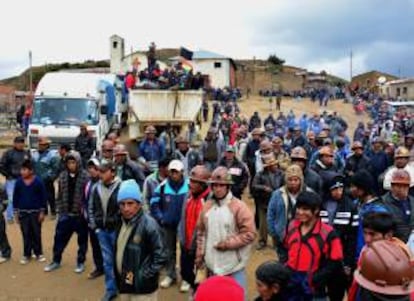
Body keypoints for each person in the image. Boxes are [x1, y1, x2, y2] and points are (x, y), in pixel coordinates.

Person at [195, 166, 256, 296]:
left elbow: (250, 234)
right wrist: (199, 255)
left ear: (228, 186)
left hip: (234, 266)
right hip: (212, 265)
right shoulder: (207, 206)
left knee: (237, 296)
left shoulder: (239, 207)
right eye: (215, 185)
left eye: (221, 185)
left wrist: (228, 243)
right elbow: (201, 233)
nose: (217, 189)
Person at [284, 191, 343, 300]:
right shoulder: (292, 226)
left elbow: (335, 262)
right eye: (299, 208)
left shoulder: (328, 233)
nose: (300, 212)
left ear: (316, 210)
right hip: (291, 283)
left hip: (313, 288)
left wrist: (317, 278)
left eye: (305, 209)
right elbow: (287, 249)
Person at [115, 179, 167, 301]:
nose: (126, 208)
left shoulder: (150, 225)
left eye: (130, 203)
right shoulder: (120, 222)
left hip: (143, 291)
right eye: (122, 204)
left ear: (138, 204)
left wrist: (142, 276)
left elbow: (161, 256)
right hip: (125, 285)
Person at [44, 151, 89, 273]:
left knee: (82, 241)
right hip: (65, 215)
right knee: (59, 239)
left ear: (78, 163)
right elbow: (59, 195)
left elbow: (87, 196)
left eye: (73, 162)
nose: (71, 165)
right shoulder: (62, 176)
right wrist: (60, 210)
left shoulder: (86, 176)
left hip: (80, 216)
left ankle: (80, 262)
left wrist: (84, 212)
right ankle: (56, 261)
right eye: (69, 162)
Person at [150, 160, 189, 289]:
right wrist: (162, 218)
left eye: (176, 172)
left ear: (182, 172)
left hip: (185, 226)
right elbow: (154, 204)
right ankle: (170, 275)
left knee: (185, 252)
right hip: (167, 225)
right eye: (172, 172)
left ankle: (186, 278)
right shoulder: (162, 187)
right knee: (168, 251)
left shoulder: (189, 185)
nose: (173, 174)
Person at [320, 174, 358, 300]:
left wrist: (348, 263)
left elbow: (353, 238)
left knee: (343, 290)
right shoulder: (321, 205)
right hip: (324, 257)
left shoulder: (351, 207)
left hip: (341, 257)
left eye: (341, 188)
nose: (338, 192)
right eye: (334, 189)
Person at [89, 161, 122, 301]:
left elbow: (124, 210)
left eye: (104, 172)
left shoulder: (121, 187)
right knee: (107, 261)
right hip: (102, 231)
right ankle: (111, 290)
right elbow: (91, 207)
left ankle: (124, 286)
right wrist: (95, 226)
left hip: (117, 231)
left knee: (120, 260)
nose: (100, 174)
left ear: (112, 172)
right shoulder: (96, 188)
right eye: (100, 171)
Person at [267, 164, 313, 262]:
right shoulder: (277, 194)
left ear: (301, 180)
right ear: (285, 180)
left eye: (296, 180)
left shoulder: (309, 193)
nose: (293, 183)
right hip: (283, 236)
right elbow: (271, 214)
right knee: (284, 262)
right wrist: (274, 233)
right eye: (290, 180)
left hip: (304, 236)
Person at [177, 165, 211, 293]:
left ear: (203, 184)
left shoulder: (209, 200)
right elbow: (182, 218)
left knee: (202, 276)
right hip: (186, 243)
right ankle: (196, 289)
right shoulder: (188, 196)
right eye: (191, 180)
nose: (191, 184)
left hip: (201, 247)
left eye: (195, 182)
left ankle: (200, 293)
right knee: (185, 272)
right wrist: (181, 238)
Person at [13, 159, 47, 264]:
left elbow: (43, 197)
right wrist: (16, 213)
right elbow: (15, 197)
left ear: (31, 171)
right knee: (25, 233)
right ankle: (26, 254)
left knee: (36, 233)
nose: (22, 172)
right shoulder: (18, 182)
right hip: (23, 213)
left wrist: (42, 212)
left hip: (35, 212)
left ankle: (38, 253)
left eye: (24, 170)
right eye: (21, 170)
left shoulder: (38, 182)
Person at [252, 154, 284, 250]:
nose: (275, 166)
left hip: (277, 202)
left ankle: (276, 242)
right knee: (263, 224)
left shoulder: (281, 174)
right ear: (268, 166)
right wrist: (263, 188)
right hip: (264, 201)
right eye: (273, 165)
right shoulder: (260, 174)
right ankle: (262, 241)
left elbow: (284, 185)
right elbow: (254, 185)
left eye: (275, 164)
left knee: (277, 222)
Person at [0, 136, 30, 222]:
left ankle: (20, 215)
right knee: (11, 199)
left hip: (23, 179)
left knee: (23, 198)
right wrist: (7, 175)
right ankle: (10, 217)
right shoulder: (8, 153)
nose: (20, 144)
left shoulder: (26, 153)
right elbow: (1, 165)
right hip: (11, 180)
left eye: (22, 142)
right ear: (15, 143)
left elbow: (30, 166)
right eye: (18, 142)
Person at [84, 158, 104, 279]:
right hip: (90, 220)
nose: (92, 170)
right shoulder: (88, 183)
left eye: (94, 168)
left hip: (102, 221)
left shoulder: (103, 184)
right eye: (90, 168)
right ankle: (99, 267)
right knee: (95, 246)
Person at [32, 137, 60, 218]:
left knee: (50, 196)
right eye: (40, 144)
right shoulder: (35, 154)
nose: (41, 146)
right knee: (40, 196)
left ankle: (53, 212)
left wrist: (51, 178)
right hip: (37, 179)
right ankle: (44, 211)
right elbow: (32, 166)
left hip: (47, 180)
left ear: (47, 145)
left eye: (43, 145)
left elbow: (55, 168)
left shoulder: (52, 155)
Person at [382, 169, 414, 242]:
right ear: (392, 186)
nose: (402, 189)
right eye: (399, 186)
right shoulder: (382, 203)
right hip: (393, 245)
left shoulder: (412, 201)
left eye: (405, 186)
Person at [0, 184, 11, 263]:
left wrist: (1, 208)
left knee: (1, 233)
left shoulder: (1, 187)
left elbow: (5, 201)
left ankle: (6, 253)